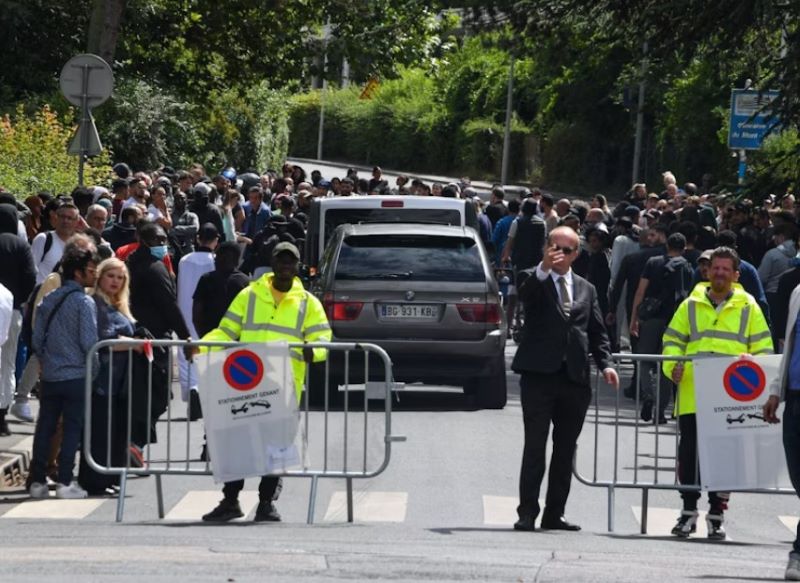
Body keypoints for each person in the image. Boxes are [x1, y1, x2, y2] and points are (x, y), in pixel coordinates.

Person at [199, 242, 331, 522]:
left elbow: (323, 339)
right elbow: (226, 331)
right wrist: (201, 345)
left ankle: (266, 503)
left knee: (277, 448)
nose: (285, 266)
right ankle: (231, 500)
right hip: (247, 384)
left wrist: (314, 351)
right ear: (272, 263)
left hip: (284, 385)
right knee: (238, 444)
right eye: (281, 261)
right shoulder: (249, 295)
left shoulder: (308, 302)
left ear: (297, 267)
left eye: (290, 261)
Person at [512, 226, 619, 532]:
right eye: (553, 246)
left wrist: (606, 365)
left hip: (574, 379)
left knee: (565, 449)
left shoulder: (587, 288)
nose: (559, 253)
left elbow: (596, 332)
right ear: (546, 247)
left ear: (576, 255)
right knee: (535, 446)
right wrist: (544, 268)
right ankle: (527, 512)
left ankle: (554, 513)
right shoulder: (532, 277)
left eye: (566, 250)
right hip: (538, 376)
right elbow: (527, 297)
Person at [662, 247, 773, 540]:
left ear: (736, 275)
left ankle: (716, 515)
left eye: (726, 269)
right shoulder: (690, 304)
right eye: (716, 268)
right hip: (692, 393)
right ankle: (687, 512)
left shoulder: (749, 306)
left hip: (730, 398)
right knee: (690, 456)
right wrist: (672, 366)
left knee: (725, 459)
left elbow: (764, 348)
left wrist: (754, 364)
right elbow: (672, 341)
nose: (720, 273)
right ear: (708, 271)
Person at [29, 246, 99, 499]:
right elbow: (90, 343)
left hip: (50, 374)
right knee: (71, 429)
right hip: (76, 374)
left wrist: (45, 360)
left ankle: (37, 481)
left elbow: (36, 337)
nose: (94, 275)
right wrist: (95, 370)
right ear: (79, 273)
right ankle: (65, 481)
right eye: (90, 271)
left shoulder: (50, 298)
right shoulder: (83, 302)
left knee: (45, 426)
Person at [127, 223, 191, 462]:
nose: (162, 244)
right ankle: (136, 442)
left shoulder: (132, 262)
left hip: (139, 337)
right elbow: (169, 305)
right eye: (157, 240)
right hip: (152, 340)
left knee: (144, 394)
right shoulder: (154, 269)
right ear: (144, 240)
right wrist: (186, 336)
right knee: (158, 395)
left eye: (164, 239)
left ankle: (134, 443)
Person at [78, 258, 139, 495]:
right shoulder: (96, 303)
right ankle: (94, 480)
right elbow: (103, 340)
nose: (115, 281)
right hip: (101, 379)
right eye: (111, 276)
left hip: (120, 379)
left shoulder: (119, 304)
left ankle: (109, 477)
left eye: (120, 277)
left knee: (115, 431)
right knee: (99, 431)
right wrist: (135, 344)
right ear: (100, 276)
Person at [630, 233, 693, 423]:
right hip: (675, 321)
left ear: (667, 246)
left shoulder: (653, 262)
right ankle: (660, 412)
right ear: (684, 248)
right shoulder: (688, 267)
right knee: (667, 364)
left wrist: (634, 318)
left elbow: (640, 291)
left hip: (651, 319)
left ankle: (648, 395)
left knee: (644, 359)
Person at [764, 271, 800, 580]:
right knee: (797, 473)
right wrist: (775, 391)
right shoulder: (798, 293)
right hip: (796, 398)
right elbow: (788, 345)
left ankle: (798, 553)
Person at [0, 205, 36, 434]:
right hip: (11, 310)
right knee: (8, 362)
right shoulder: (20, 244)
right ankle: (2, 413)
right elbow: (30, 276)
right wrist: (21, 300)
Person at [176, 223, 219, 407]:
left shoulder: (184, 260)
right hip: (206, 311)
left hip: (185, 308)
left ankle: (191, 389)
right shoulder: (216, 260)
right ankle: (204, 391)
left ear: (197, 238)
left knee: (186, 352)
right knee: (207, 352)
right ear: (216, 241)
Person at [31, 202, 79, 284]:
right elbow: (31, 270)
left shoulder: (77, 245)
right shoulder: (44, 239)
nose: (65, 221)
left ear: (76, 222)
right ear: (56, 218)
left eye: (70, 218)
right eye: (62, 217)